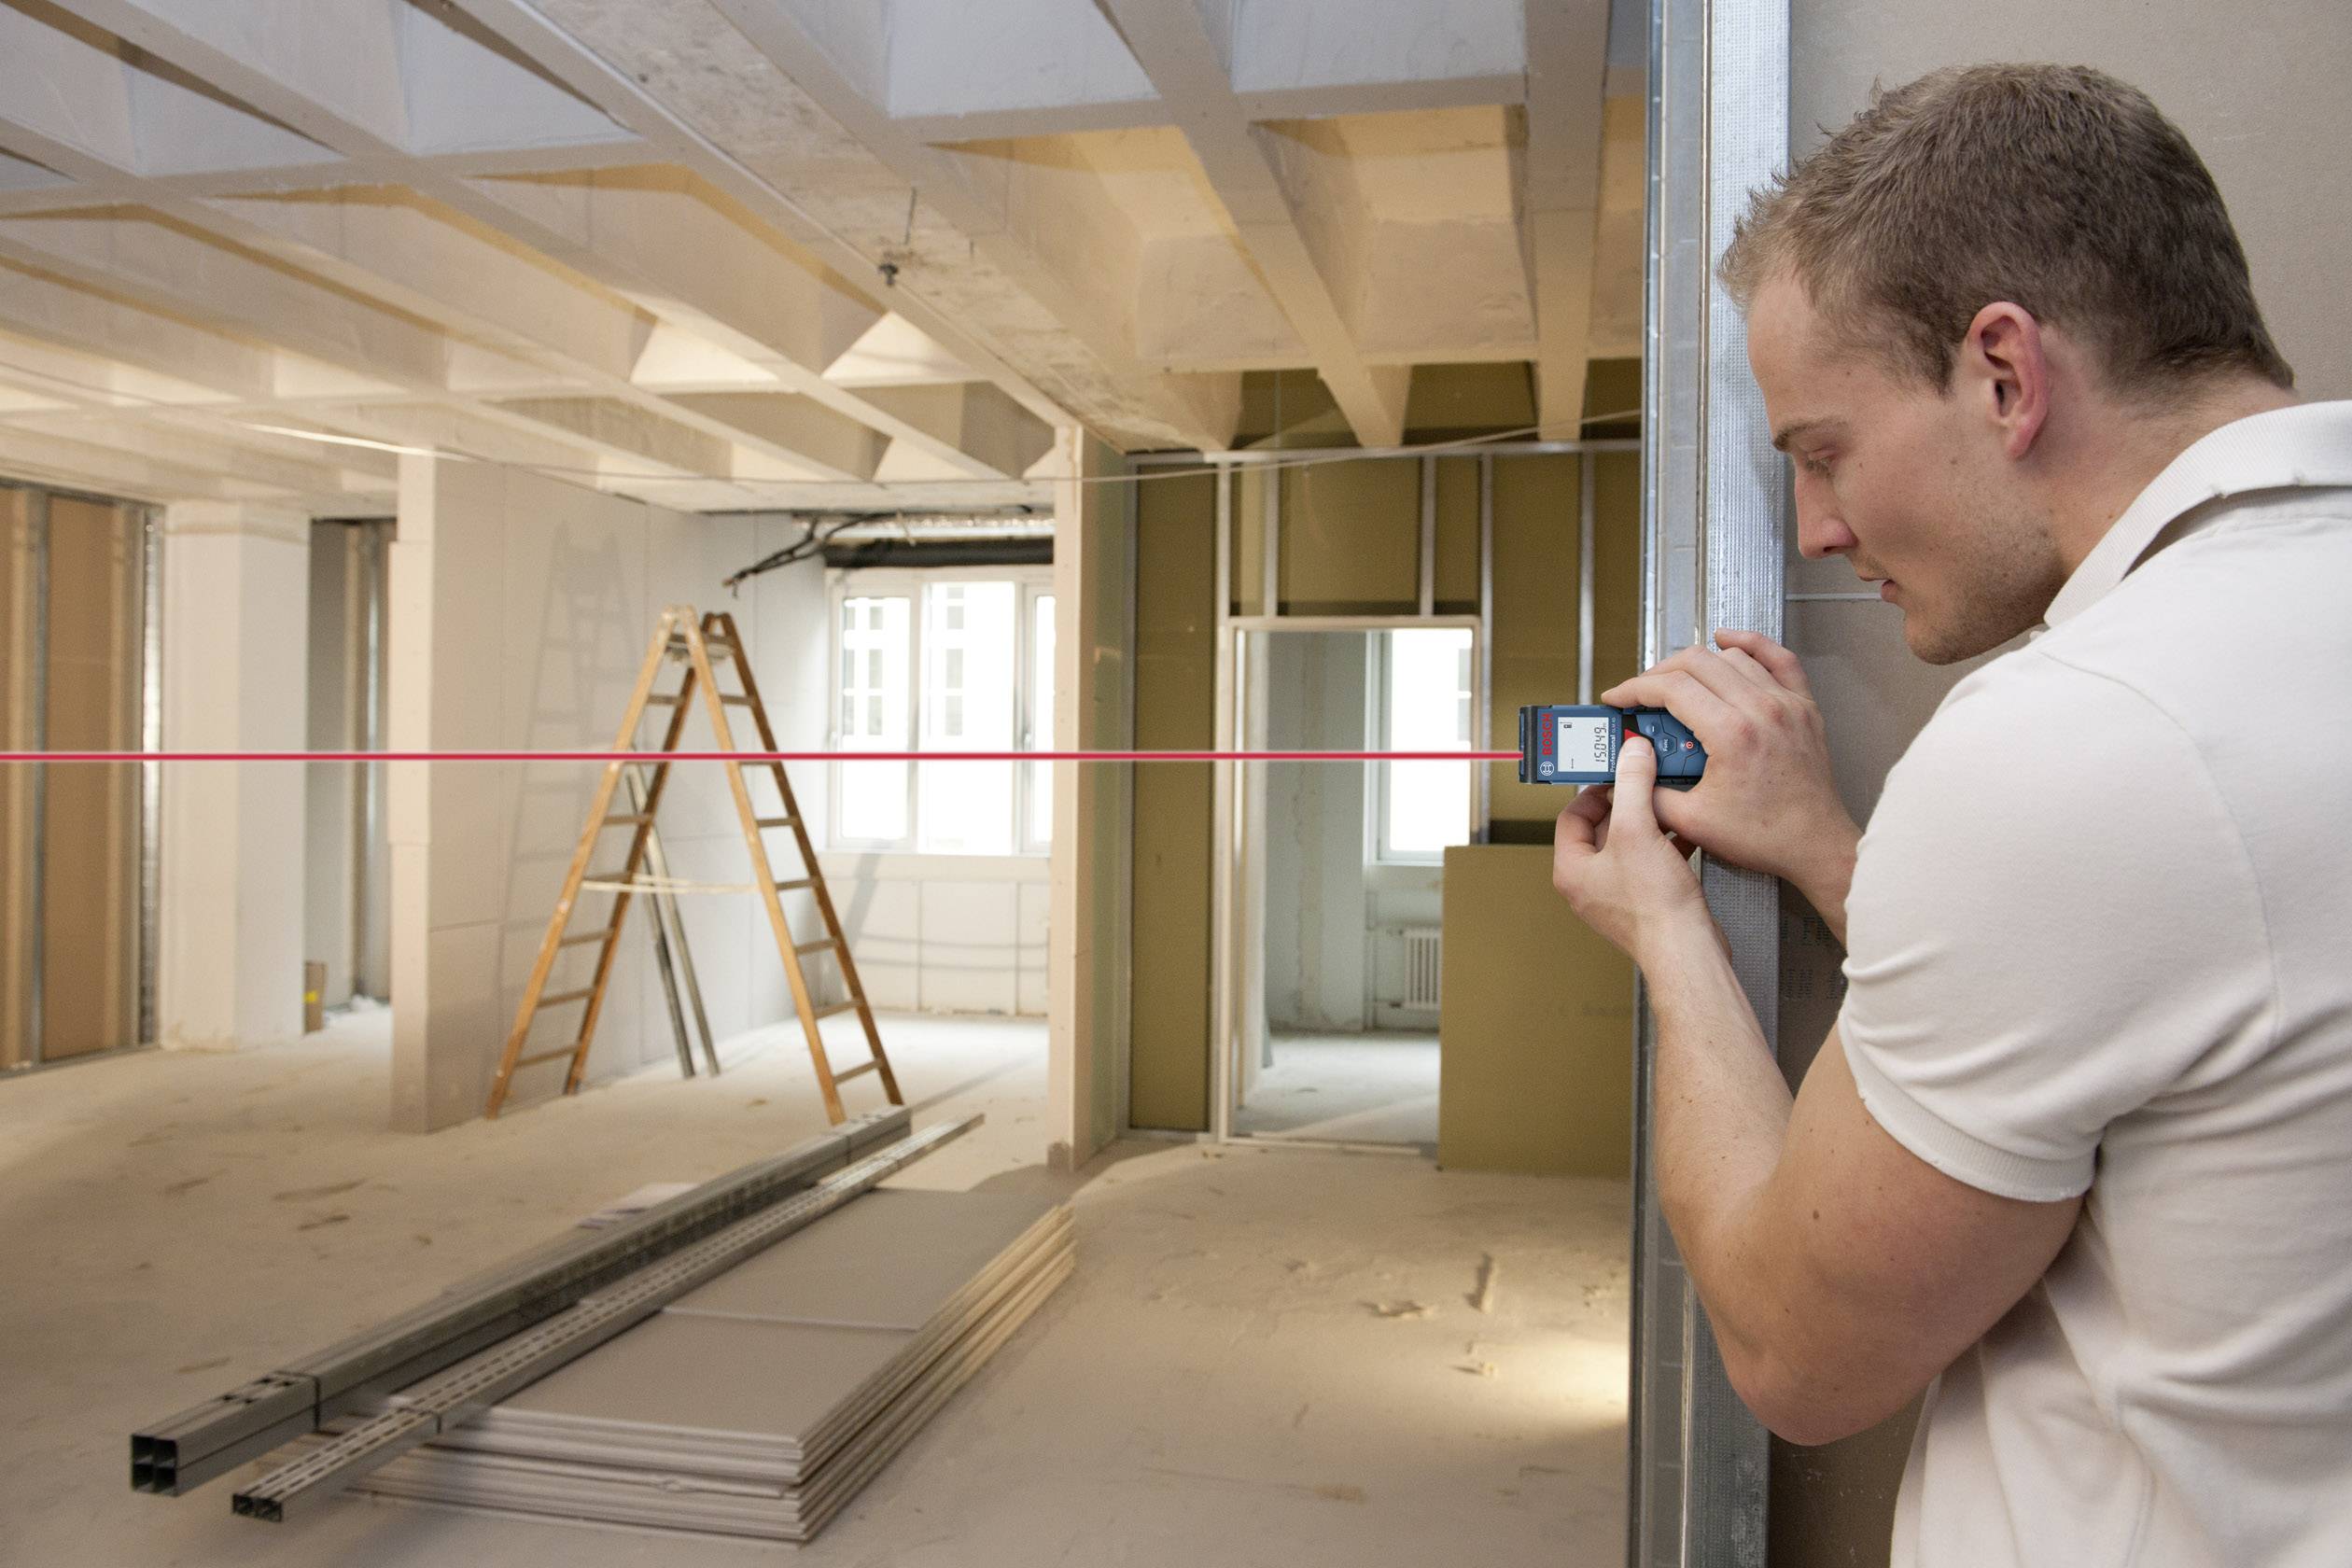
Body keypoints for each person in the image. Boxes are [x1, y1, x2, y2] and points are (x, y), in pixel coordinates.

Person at [1547, 63, 2352, 1568]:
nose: (1818, 529)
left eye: (1821, 451)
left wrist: (1665, 930)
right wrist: (1834, 855)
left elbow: (1797, 1356)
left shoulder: (2082, 735)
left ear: (2002, 373)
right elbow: (2165, 987)